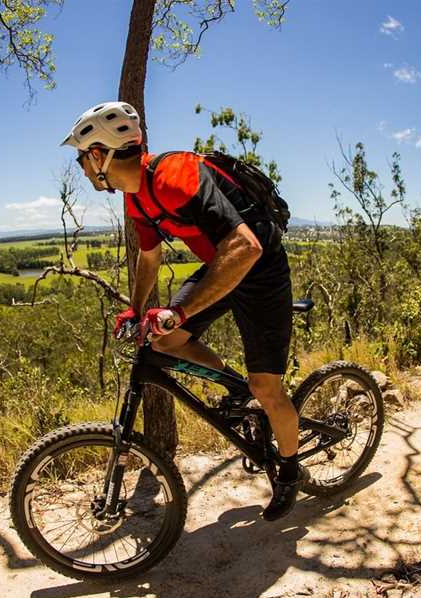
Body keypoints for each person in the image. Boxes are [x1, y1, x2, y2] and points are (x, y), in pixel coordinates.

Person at [61, 101, 307, 521]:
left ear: (99, 154)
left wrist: (177, 310)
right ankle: (236, 388)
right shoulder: (137, 197)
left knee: (267, 387)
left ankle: (288, 469)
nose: (83, 168)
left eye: (83, 157)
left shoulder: (176, 175)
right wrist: (136, 311)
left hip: (260, 268)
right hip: (221, 267)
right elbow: (149, 260)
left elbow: (246, 246)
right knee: (165, 337)